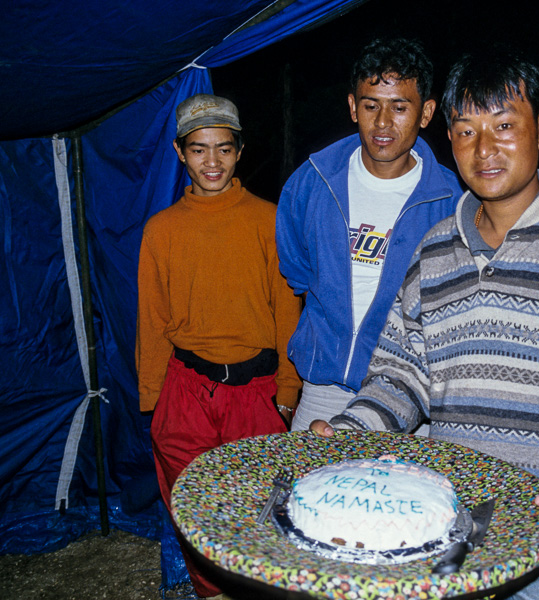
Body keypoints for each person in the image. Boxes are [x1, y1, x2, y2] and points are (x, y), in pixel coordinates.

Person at [313, 48, 539, 600]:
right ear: (449, 140)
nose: (485, 149)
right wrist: (351, 432)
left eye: (504, 126)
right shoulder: (433, 251)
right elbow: (402, 377)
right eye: (467, 130)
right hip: (451, 530)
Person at [137, 93, 301, 599]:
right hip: (185, 392)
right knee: (197, 511)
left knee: (260, 509)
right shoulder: (161, 230)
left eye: (224, 149)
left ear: (240, 150)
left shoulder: (269, 219)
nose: (213, 162)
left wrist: (288, 391)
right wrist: (154, 401)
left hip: (254, 393)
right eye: (200, 149)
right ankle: (209, 592)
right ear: (180, 152)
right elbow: (152, 320)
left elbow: (286, 310)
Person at [276, 37, 462, 432]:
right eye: (370, 105)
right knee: (305, 490)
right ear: (352, 106)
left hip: (411, 395)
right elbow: (297, 273)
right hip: (323, 388)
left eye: (399, 107)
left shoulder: (451, 201)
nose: (382, 122)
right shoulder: (312, 182)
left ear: (426, 112)